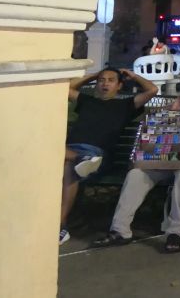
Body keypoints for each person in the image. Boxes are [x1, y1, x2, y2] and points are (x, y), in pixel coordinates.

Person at [92, 71, 180, 254]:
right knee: (136, 174)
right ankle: (120, 230)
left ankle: (176, 233)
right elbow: (154, 126)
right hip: (169, 159)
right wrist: (173, 109)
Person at [61, 67, 158, 245]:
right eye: (101, 80)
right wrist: (92, 75)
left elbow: (152, 90)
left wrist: (133, 75)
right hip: (69, 152)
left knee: (69, 168)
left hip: (96, 156)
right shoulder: (87, 100)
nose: (105, 84)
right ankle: (78, 159)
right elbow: (63, 88)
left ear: (119, 85)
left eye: (111, 80)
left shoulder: (125, 105)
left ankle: (60, 224)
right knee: (59, 157)